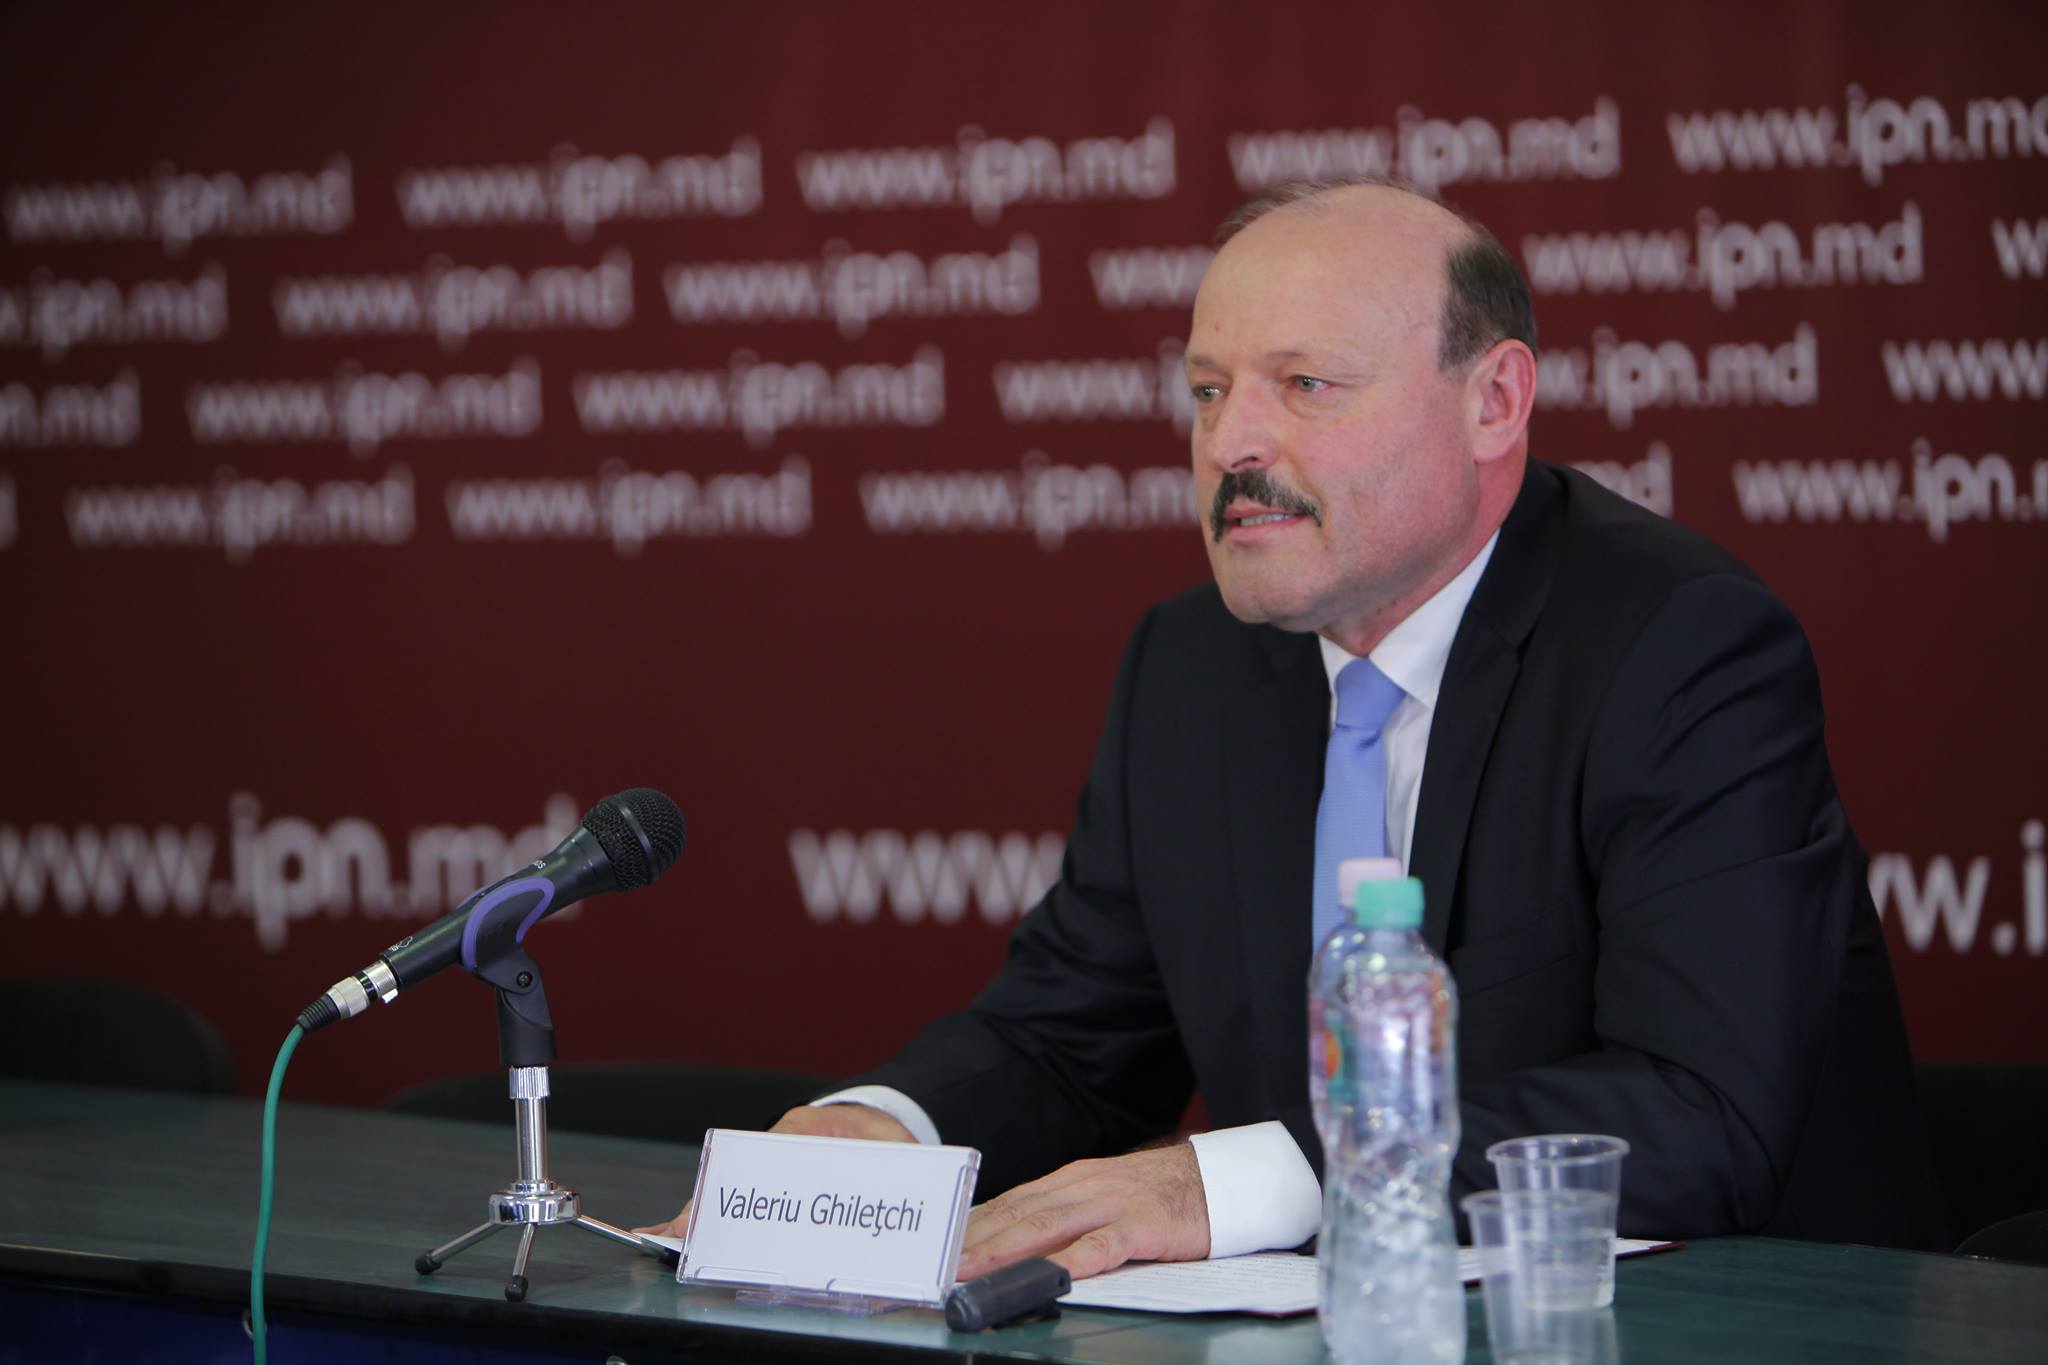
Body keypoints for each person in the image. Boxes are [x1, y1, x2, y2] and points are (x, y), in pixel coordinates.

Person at [642, 178, 1947, 1278]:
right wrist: (886, 1131)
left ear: (1494, 403)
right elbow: (1070, 1038)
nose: (1234, 443)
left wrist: (1229, 1184)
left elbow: (1699, 1110)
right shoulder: (1194, 664)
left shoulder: (1678, 645)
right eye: (1208, 390)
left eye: (1306, 384)